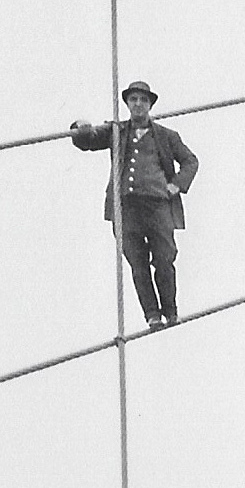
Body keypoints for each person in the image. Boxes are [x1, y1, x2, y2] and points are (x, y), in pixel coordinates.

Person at [70, 81, 199, 331]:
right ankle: (152, 315)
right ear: (128, 104)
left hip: (157, 205)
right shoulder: (117, 131)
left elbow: (190, 161)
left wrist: (175, 185)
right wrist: (80, 128)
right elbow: (89, 140)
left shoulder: (166, 136)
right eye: (134, 100)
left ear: (149, 105)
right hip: (127, 208)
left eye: (143, 100)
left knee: (164, 258)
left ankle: (170, 311)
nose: (138, 104)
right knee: (137, 262)